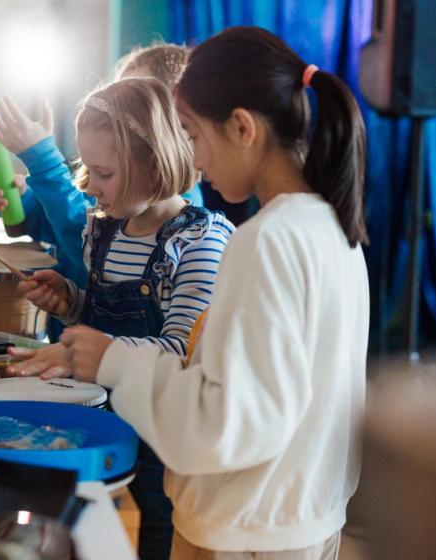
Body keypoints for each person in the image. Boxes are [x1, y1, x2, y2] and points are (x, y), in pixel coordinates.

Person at [60, 26, 370, 560]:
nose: (194, 162)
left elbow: (227, 424)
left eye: (194, 137)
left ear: (243, 127)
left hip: (243, 533)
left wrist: (115, 362)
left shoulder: (265, 240)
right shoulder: (333, 228)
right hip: (301, 519)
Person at [0, 77, 234, 560]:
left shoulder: (198, 243)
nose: (90, 186)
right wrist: (71, 302)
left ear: (154, 162)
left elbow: (180, 355)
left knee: (151, 535)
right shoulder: (101, 231)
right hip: (104, 423)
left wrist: (89, 352)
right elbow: (107, 311)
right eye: (87, 169)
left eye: (103, 173)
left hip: (162, 441)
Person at [0, 43, 201, 296]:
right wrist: (22, 201)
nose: (118, 107)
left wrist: (44, 163)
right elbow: (69, 223)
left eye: (137, 99)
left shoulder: (181, 216)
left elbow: (85, 241)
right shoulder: (117, 179)